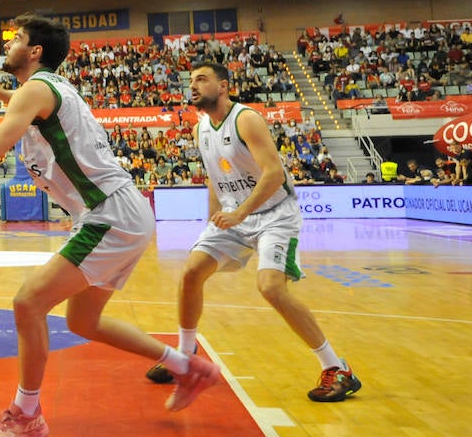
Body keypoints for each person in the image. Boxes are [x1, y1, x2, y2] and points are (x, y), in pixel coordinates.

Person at [0, 14, 220, 437]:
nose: (7, 44)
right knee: (83, 320)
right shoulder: (48, 88)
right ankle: (186, 367)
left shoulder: (36, 91)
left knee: (28, 302)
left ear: (34, 52)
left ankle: (27, 415)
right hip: (121, 211)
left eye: (16, 39)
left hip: (108, 213)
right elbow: (28, 105)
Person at [145, 62, 363, 403]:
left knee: (271, 288)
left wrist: (240, 213)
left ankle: (337, 368)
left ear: (224, 86)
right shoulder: (200, 128)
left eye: (202, 80)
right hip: (234, 216)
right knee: (190, 273)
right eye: (191, 81)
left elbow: (274, 173)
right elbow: (214, 177)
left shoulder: (245, 118)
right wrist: (213, 218)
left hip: (274, 215)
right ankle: (185, 358)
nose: (193, 86)